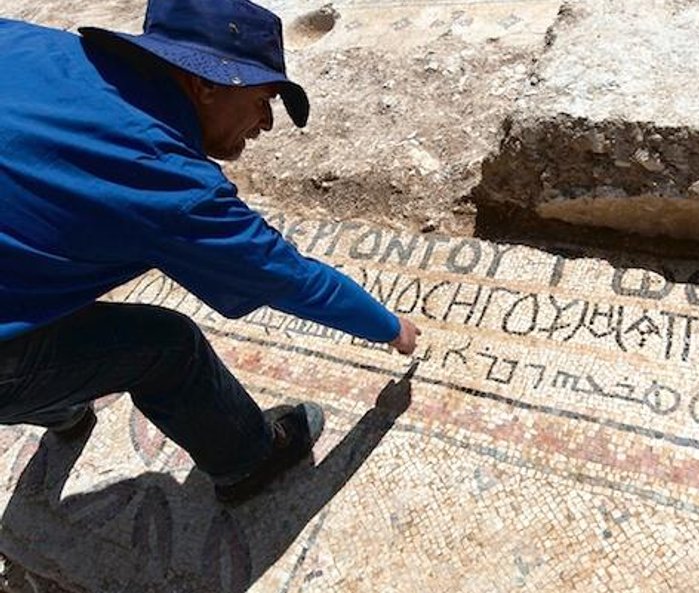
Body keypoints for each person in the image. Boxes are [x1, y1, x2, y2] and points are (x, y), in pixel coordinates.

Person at [0, 0, 420, 503]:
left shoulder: (31, 44)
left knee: (45, 281)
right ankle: (248, 460)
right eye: (262, 100)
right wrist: (388, 326)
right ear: (205, 84)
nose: (265, 123)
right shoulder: (168, 180)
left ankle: (58, 407)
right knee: (167, 346)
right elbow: (285, 277)